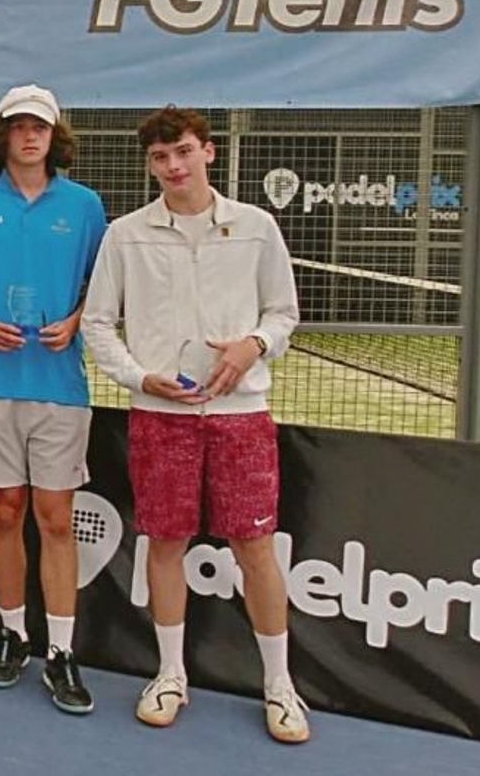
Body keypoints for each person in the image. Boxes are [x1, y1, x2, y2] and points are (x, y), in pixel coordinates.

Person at [80, 106, 307, 743]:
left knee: (255, 547)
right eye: (160, 157)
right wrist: (137, 376)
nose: (173, 166)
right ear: (149, 163)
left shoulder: (258, 227)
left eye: (182, 151)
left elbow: (283, 312)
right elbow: (98, 323)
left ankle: (279, 686)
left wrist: (253, 345)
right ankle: (171, 674)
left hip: (242, 418)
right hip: (160, 418)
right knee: (165, 542)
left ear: (208, 152)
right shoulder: (125, 234)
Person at [0, 84, 106, 713]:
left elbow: (105, 291)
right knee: (4, 512)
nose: (29, 136)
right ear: (1, 134)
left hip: (60, 387)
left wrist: (78, 320)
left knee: (55, 518)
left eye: (40, 127)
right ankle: (13, 635)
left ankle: (61, 650)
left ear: (54, 136)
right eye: (18, 126)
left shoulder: (85, 206)